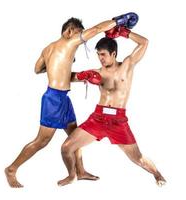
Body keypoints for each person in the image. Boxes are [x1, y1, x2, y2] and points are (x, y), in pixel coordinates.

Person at [4, 15, 124, 188]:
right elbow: (97, 29)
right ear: (69, 31)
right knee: (41, 141)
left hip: (63, 98)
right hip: (53, 99)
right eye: (78, 34)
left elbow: (37, 69)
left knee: (75, 135)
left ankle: (80, 171)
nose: (80, 41)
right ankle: (11, 169)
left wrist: (70, 73)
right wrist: (118, 21)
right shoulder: (69, 42)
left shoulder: (48, 49)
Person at [58, 26, 166, 187]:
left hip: (118, 121)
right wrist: (81, 75)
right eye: (98, 54)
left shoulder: (127, 65)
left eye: (103, 54)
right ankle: (74, 174)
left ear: (113, 54)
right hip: (98, 119)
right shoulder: (97, 72)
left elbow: (144, 43)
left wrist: (125, 33)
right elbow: (69, 77)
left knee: (138, 158)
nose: (100, 58)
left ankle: (158, 174)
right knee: (66, 147)